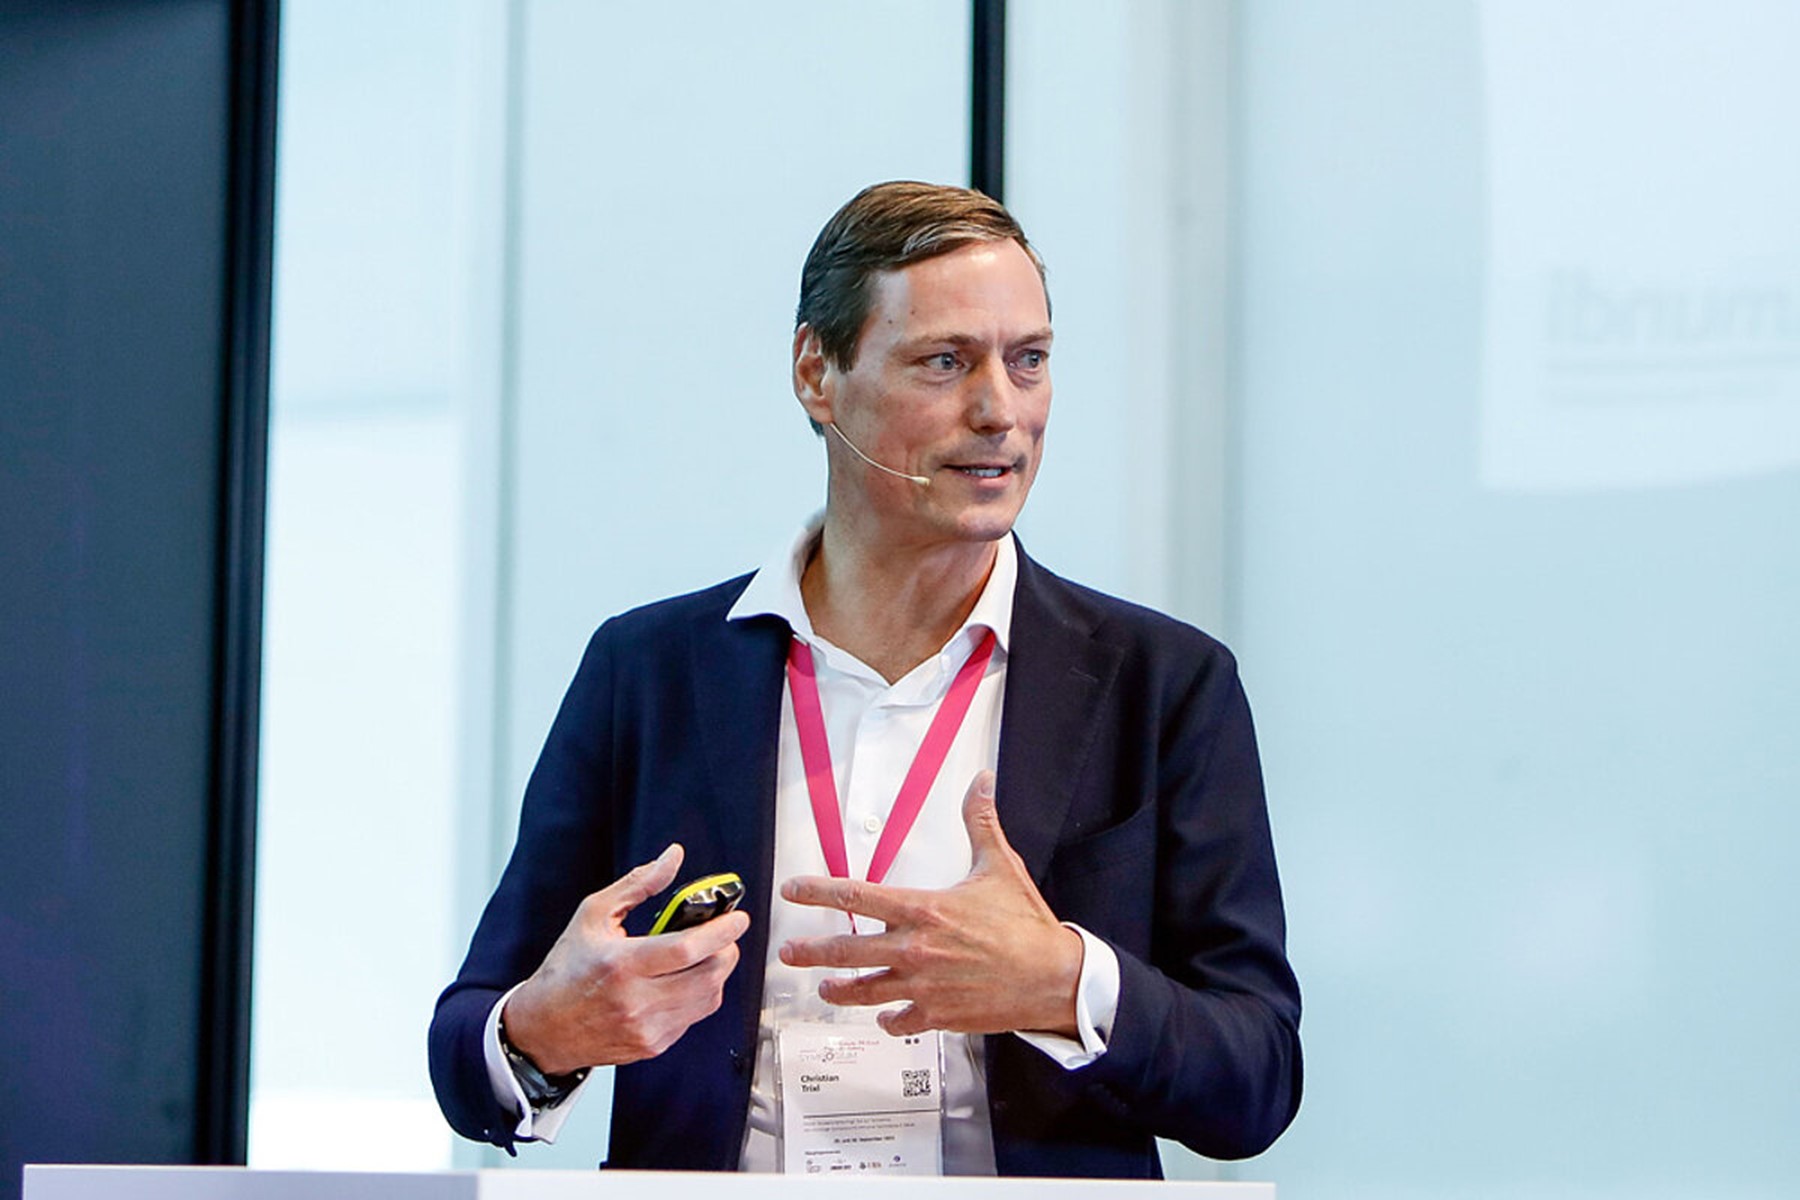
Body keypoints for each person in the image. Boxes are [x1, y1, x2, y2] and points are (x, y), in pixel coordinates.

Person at [428, 181, 1301, 1178]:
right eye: (945, 362)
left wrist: (1066, 983)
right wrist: (545, 1031)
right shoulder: (649, 672)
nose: (1000, 412)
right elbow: (467, 1056)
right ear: (817, 372)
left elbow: (1258, 1078)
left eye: (1028, 361)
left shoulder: (1163, 685)